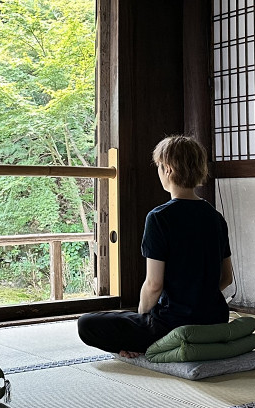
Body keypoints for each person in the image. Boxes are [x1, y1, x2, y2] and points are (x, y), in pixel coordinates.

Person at [77, 135, 233, 357]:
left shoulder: (159, 217)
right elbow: (227, 278)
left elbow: (153, 284)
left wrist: (143, 315)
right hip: (215, 320)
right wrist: (198, 297)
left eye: (159, 166)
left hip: (171, 326)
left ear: (168, 169)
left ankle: (148, 347)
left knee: (87, 323)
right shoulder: (215, 217)